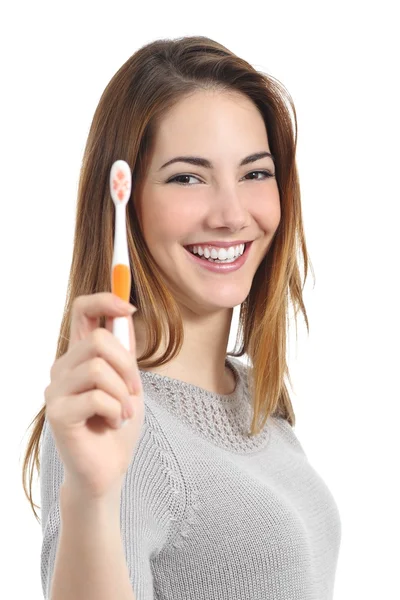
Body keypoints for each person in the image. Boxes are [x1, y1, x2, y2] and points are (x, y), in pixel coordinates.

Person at [22, 35, 342, 599]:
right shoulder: (117, 422)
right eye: (187, 178)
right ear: (125, 201)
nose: (231, 214)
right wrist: (92, 500)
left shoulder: (253, 402)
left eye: (255, 173)